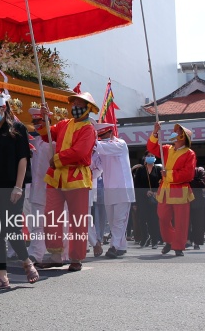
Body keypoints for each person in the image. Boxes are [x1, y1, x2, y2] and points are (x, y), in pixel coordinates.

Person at [0, 92, 39, 288]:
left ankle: (26, 262)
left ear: (3, 109)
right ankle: (2, 276)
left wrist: (18, 187)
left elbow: (23, 159)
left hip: (12, 188)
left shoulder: (18, 129)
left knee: (12, 228)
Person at [43, 89, 99, 271]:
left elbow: (80, 152)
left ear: (88, 108)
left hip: (76, 178)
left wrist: (57, 159)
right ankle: (55, 255)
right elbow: (47, 135)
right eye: (73, 103)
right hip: (56, 177)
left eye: (79, 104)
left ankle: (76, 258)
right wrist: (44, 119)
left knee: (78, 220)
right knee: (51, 217)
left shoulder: (89, 129)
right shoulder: (64, 124)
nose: (74, 106)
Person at [146, 122, 196, 257]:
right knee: (162, 217)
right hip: (165, 189)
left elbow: (188, 173)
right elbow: (152, 147)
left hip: (180, 189)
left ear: (183, 137)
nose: (175, 133)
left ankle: (178, 246)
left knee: (181, 221)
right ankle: (169, 240)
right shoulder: (167, 149)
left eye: (178, 131)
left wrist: (168, 174)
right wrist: (155, 132)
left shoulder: (189, 153)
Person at [92, 123, 135, 259]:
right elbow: (96, 167)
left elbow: (102, 147)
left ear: (111, 133)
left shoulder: (120, 144)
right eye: (99, 136)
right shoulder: (101, 148)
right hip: (108, 189)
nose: (102, 138)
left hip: (123, 189)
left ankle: (114, 247)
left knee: (119, 220)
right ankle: (121, 246)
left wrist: (91, 142)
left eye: (104, 135)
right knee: (111, 221)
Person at [26, 107, 54, 265]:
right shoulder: (34, 142)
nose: (36, 125)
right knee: (36, 224)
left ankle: (62, 252)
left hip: (53, 189)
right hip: (37, 190)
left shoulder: (55, 142)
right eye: (34, 122)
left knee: (57, 223)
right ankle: (36, 254)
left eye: (39, 121)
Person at [132, 154, 162, 248]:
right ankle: (144, 237)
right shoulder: (140, 170)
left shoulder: (158, 170)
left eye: (151, 157)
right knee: (142, 220)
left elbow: (162, 183)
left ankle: (154, 240)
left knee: (153, 220)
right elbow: (136, 186)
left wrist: (156, 192)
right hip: (142, 199)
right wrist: (145, 192)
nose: (149, 159)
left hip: (155, 199)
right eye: (148, 157)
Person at [188, 167, 205, 249]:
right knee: (186, 222)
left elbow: (202, 184)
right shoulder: (182, 170)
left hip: (197, 200)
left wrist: (190, 180)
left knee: (198, 222)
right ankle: (187, 240)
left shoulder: (199, 171)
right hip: (185, 199)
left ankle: (197, 242)